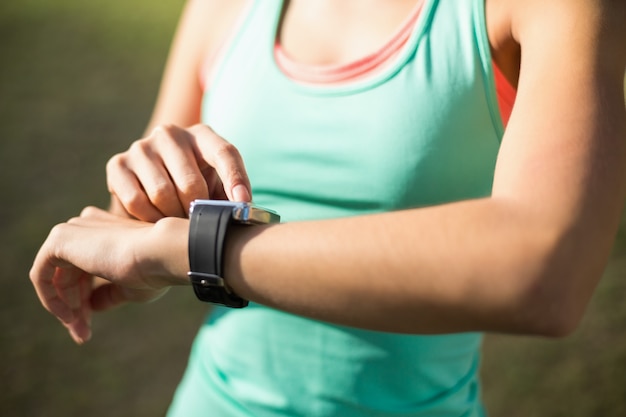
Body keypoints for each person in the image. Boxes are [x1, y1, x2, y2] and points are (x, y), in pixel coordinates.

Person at [30, 0, 626, 415]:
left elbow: (547, 272)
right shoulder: (222, 8)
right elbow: (131, 246)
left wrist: (190, 250)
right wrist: (145, 189)